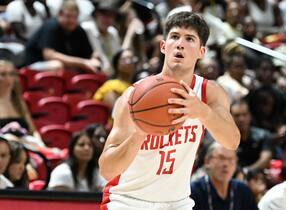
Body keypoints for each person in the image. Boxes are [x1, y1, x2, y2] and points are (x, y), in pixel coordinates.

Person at [99, 11, 240, 210]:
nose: (180, 44)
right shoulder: (134, 98)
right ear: (163, 46)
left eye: (189, 39)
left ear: (201, 52)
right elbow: (107, 170)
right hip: (127, 201)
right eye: (174, 37)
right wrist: (139, 134)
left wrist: (202, 112)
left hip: (177, 203)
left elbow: (232, 141)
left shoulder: (209, 93)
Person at [24, 0, 101, 72]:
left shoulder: (78, 30)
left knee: (93, 67)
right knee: (56, 65)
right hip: (35, 66)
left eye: (74, 17)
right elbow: (49, 55)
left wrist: (94, 58)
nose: (71, 20)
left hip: (65, 67)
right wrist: (84, 62)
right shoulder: (51, 26)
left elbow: (89, 54)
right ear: (60, 14)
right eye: (68, 16)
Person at [191, 142, 259, 210]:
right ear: (207, 162)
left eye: (231, 159)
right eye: (221, 158)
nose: (226, 164)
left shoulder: (243, 191)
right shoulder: (194, 191)